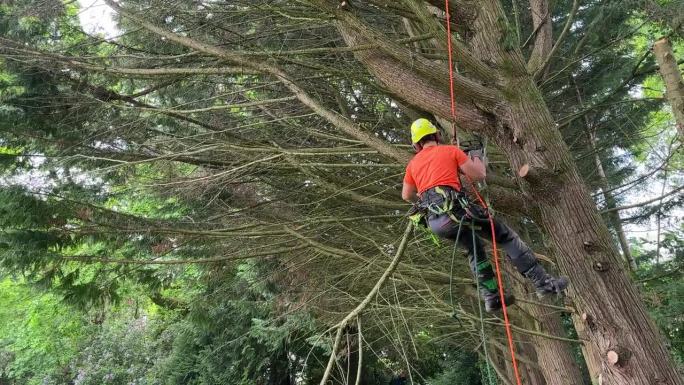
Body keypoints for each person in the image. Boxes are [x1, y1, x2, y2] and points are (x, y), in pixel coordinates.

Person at [402, 118, 568, 312]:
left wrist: (428, 200)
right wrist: (476, 159)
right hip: (459, 212)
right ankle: (544, 284)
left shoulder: (413, 165)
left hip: (437, 223)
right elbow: (478, 175)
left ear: (416, 144)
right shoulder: (450, 151)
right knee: (505, 237)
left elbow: (406, 195)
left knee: (475, 251)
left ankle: (491, 298)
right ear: (436, 135)